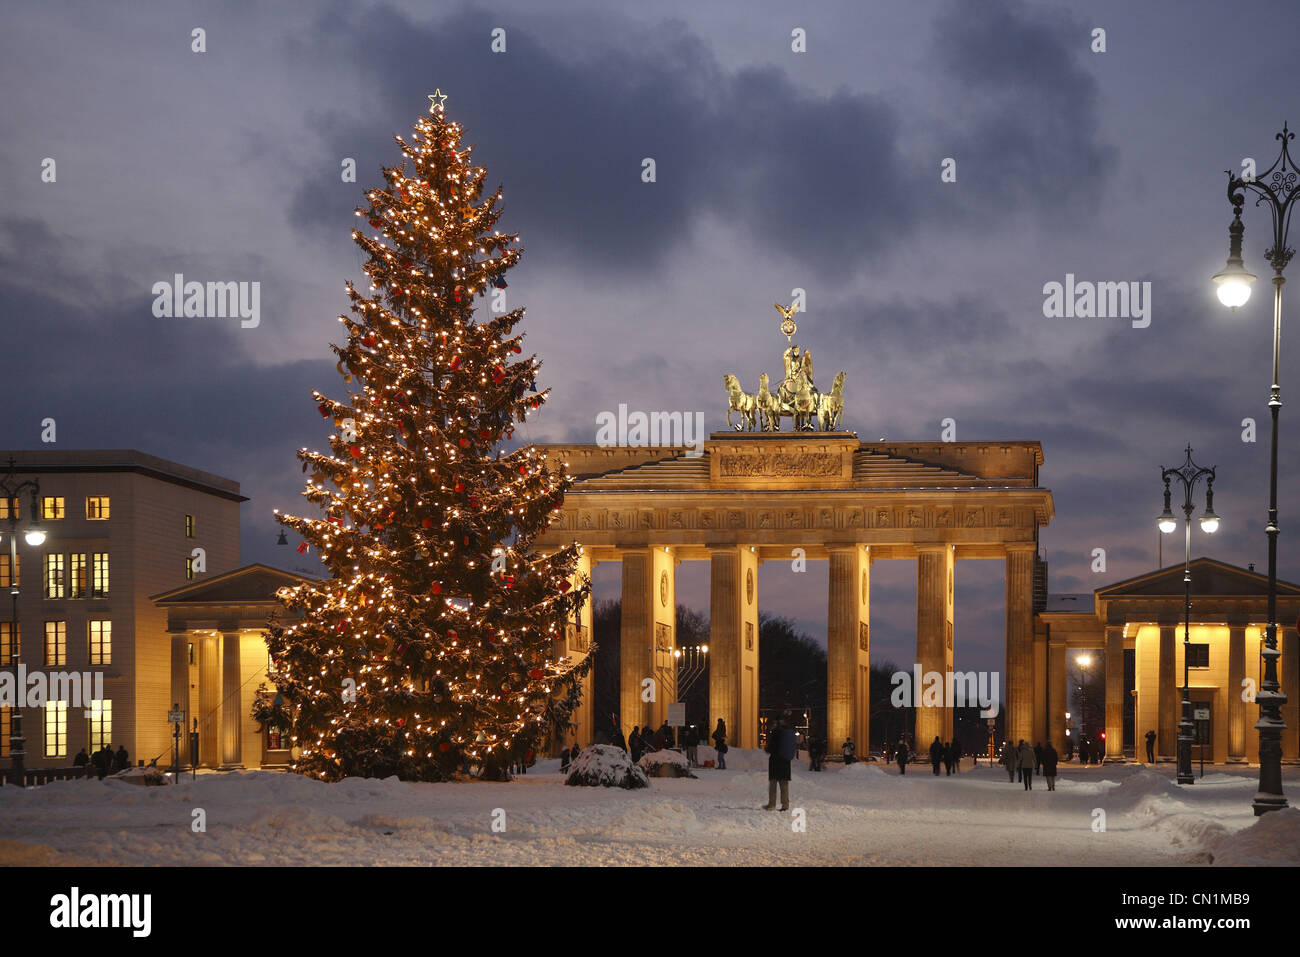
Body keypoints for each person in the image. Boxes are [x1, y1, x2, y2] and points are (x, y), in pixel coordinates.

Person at [763, 715, 796, 811]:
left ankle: (772, 804)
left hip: (775, 761)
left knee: (773, 783)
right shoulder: (788, 732)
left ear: (777, 723)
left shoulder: (776, 732)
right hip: (785, 762)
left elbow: (771, 747)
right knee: (784, 784)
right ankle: (785, 805)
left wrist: (767, 748)